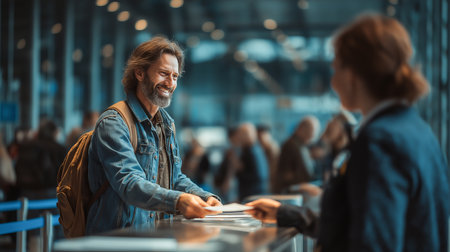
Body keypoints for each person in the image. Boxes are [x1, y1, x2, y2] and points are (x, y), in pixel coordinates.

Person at [246, 14, 449, 252]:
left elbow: (372, 242)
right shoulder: (417, 130)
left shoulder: (380, 140)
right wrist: (287, 214)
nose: (333, 82)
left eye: (335, 69)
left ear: (352, 74)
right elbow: (360, 224)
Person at [86, 36, 221, 235]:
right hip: (115, 239)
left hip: (153, 236)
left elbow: (174, 178)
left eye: (175, 76)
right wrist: (178, 201)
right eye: (164, 73)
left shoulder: (167, 124)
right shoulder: (114, 122)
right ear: (140, 73)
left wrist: (203, 197)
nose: (170, 83)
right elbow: (129, 182)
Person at [273, 116, 320, 193]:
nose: (313, 136)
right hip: (291, 193)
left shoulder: (300, 145)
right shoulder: (290, 145)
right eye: (312, 132)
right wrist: (302, 186)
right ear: (302, 129)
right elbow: (285, 175)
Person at [236, 123, 270, 200]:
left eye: (241, 134)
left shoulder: (252, 151)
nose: (239, 137)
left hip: (253, 196)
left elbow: (259, 176)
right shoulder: (251, 149)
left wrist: (239, 170)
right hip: (253, 194)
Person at [256, 125, 280, 194]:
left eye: (260, 137)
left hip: (271, 183)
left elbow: (273, 169)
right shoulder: (262, 148)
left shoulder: (272, 148)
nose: (259, 140)